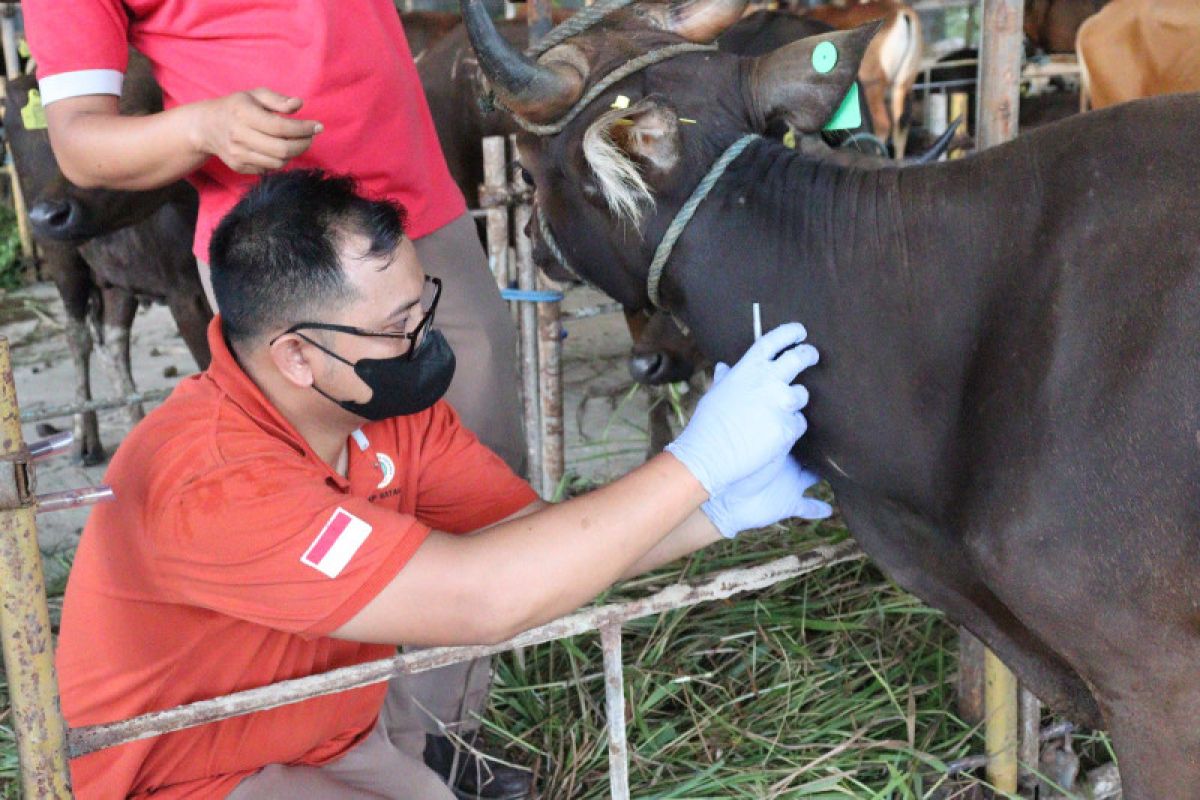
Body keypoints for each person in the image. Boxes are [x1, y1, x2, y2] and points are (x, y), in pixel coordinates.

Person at [54, 169, 831, 798]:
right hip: (180, 777)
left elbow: (533, 548)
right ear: (296, 355)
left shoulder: (381, 409)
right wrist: (694, 463)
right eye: (396, 329)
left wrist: (717, 511)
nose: (422, 340)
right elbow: (484, 600)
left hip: (323, 736)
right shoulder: (215, 482)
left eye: (421, 307)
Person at [21, 1, 530, 792]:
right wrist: (201, 129)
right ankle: (357, 743)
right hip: (281, 257)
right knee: (336, 511)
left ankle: (442, 737)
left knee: (477, 470)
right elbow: (81, 143)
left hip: (415, 209)